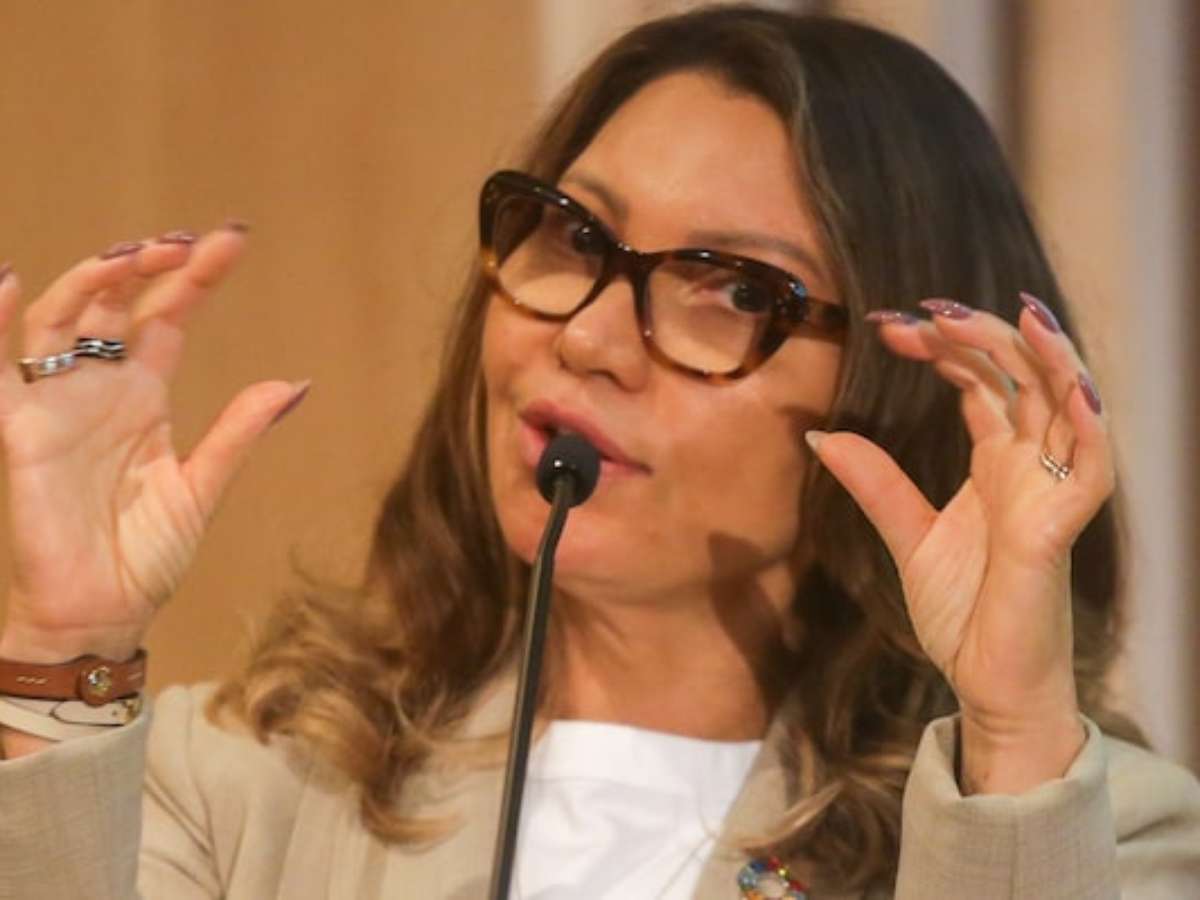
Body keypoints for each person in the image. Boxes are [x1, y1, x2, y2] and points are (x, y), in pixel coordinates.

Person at [0, 5, 1197, 898]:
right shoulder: (240, 784)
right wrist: (63, 645)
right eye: (576, 237)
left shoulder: (1103, 838)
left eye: (733, 289)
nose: (587, 338)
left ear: (899, 388)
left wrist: (1009, 738)